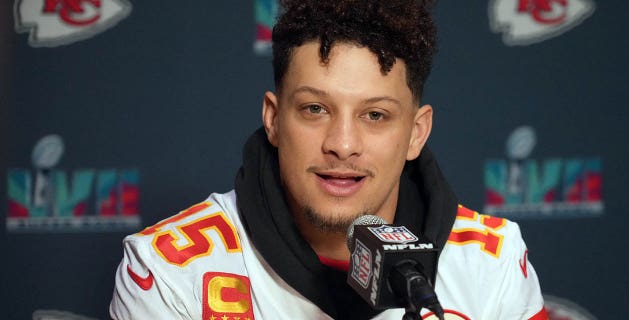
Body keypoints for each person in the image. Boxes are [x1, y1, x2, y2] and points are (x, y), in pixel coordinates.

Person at [109, 0, 548, 319]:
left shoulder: (493, 264)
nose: (342, 144)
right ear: (275, 119)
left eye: (375, 115)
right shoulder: (168, 272)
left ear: (416, 134)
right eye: (315, 109)